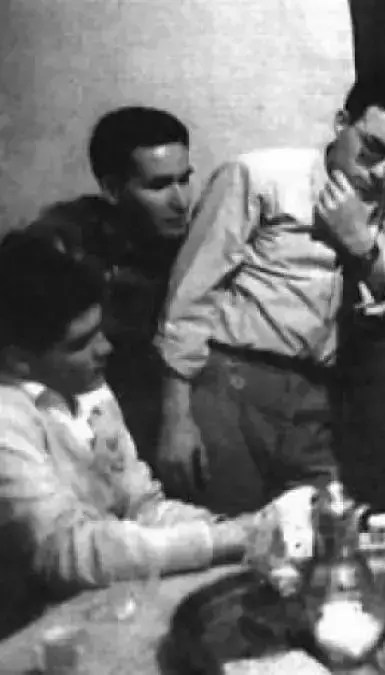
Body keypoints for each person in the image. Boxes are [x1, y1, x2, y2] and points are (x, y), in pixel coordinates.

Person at [154, 72, 385, 514]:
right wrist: (176, 418)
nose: (382, 171)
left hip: (315, 398)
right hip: (232, 386)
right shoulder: (259, 175)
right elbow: (189, 296)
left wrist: (362, 244)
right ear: (342, 123)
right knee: (234, 540)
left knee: (322, 542)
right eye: (374, 149)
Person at [0, 234, 251, 638]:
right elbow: (67, 552)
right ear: (18, 359)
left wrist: (241, 529)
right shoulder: (7, 420)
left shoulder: (88, 386)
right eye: (80, 343)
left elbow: (141, 505)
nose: (105, 348)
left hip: (112, 603)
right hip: (34, 630)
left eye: (100, 330)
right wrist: (222, 540)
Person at [26, 106, 194, 468]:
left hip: (165, 415)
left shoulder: (197, 243)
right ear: (113, 189)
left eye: (184, 179)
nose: (181, 202)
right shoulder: (66, 241)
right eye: (159, 185)